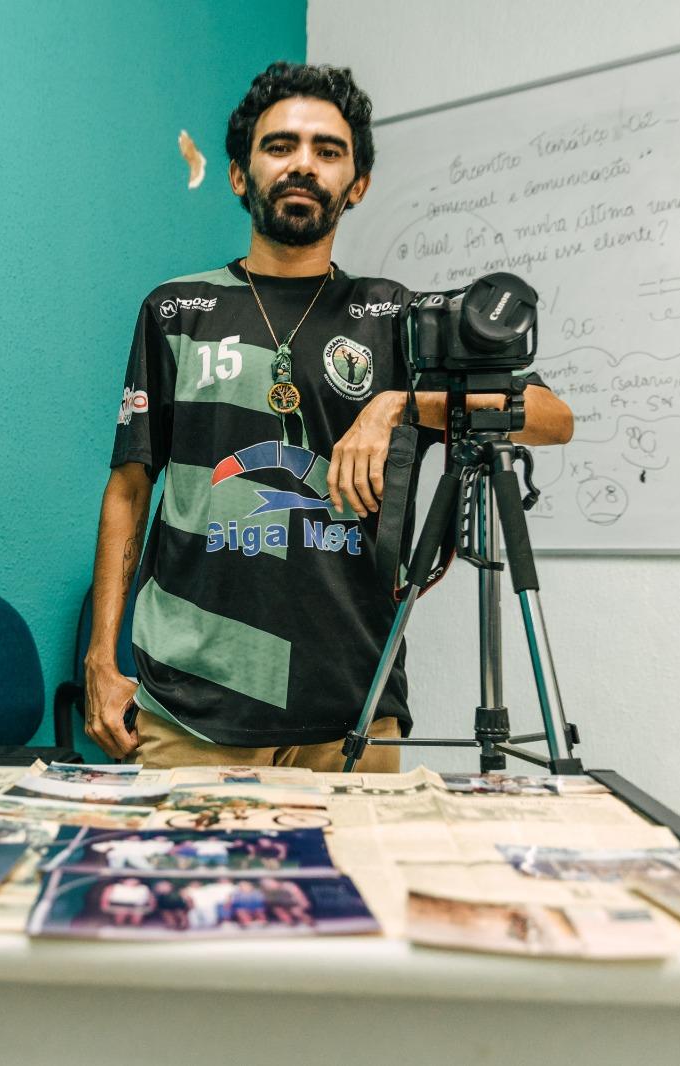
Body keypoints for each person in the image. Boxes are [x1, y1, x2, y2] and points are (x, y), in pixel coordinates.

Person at [86, 62, 574, 771]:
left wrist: (398, 404)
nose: (302, 165)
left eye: (328, 150)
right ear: (238, 174)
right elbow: (130, 487)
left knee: (356, 887)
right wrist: (103, 657)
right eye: (280, 146)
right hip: (189, 713)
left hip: (355, 712)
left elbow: (553, 418)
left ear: (358, 184)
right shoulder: (176, 310)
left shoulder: (397, 318)